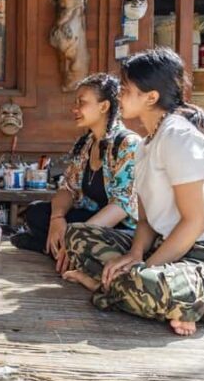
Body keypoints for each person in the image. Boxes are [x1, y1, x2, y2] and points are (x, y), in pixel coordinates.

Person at [63, 48, 204, 336]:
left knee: (143, 283)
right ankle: (149, 294)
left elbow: (195, 222)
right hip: (167, 249)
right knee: (78, 234)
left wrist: (143, 269)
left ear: (151, 97)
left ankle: (113, 287)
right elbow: (146, 220)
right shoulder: (144, 146)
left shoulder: (179, 137)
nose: (119, 96)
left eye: (126, 90)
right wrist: (136, 254)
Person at [11, 74, 140, 274]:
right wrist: (57, 219)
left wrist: (75, 237)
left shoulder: (127, 144)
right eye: (75, 102)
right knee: (36, 212)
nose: (75, 108)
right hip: (89, 221)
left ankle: (53, 248)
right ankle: (63, 251)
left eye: (81, 102)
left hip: (119, 228)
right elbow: (67, 188)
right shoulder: (86, 144)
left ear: (104, 106)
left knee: (80, 237)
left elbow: (122, 206)